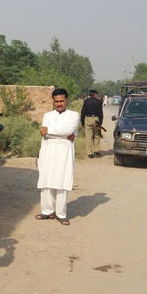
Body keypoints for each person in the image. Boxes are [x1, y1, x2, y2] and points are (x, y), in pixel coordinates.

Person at [36, 88, 80, 226]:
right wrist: (63, 134)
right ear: (53, 102)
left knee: (62, 183)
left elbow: (68, 130)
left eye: (61, 101)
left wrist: (50, 131)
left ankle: (61, 214)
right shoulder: (47, 116)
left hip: (64, 153)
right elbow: (47, 133)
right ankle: (47, 211)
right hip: (48, 151)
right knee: (46, 181)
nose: (59, 104)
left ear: (66, 100)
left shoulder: (74, 115)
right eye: (56, 101)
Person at [80, 89, 104, 158]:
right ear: (95, 94)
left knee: (88, 136)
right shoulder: (99, 101)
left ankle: (90, 153)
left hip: (88, 119)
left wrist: (82, 122)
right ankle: (96, 151)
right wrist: (100, 122)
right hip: (96, 119)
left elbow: (83, 112)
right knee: (97, 135)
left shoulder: (86, 101)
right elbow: (100, 113)